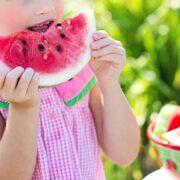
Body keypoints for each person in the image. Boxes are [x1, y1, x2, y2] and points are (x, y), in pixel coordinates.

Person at [0, 0, 140, 179]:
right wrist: (23, 110)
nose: (46, 7)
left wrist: (110, 83)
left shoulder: (82, 67)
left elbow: (124, 154)